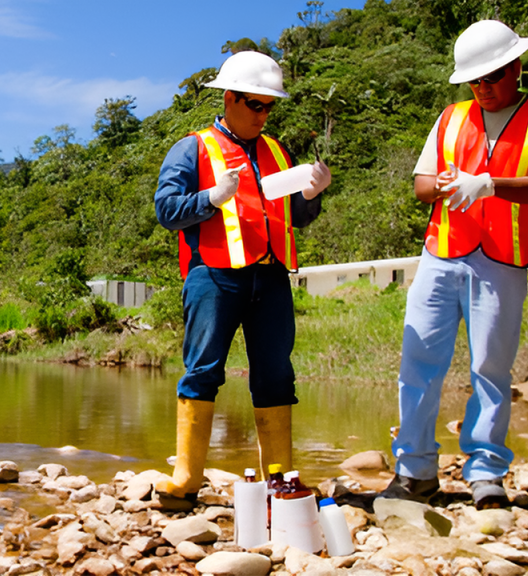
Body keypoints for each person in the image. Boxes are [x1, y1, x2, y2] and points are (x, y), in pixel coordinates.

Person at [382, 20, 528, 510]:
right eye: (475, 81)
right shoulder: (451, 118)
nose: (483, 88)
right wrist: (452, 184)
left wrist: (488, 183)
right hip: (442, 251)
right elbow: (422, 186)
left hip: (503, 261)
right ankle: (415, 471)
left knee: (491, 367)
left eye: (491, 77)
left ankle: (486, 472)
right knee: (418, 362)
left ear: (515, 68)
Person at [153, 51, 331, 508]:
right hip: (214, 276)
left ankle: (279, 481)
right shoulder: (192, 148)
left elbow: (295, 214)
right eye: (255, 104)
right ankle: (187, 478)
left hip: (270, 279)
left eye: (269, 106)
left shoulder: (275, 151)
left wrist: (311, 195)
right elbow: (166, 210)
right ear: (229, 99)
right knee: (204, 371)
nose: (264, 115)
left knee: (275, 374)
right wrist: (210, 197)